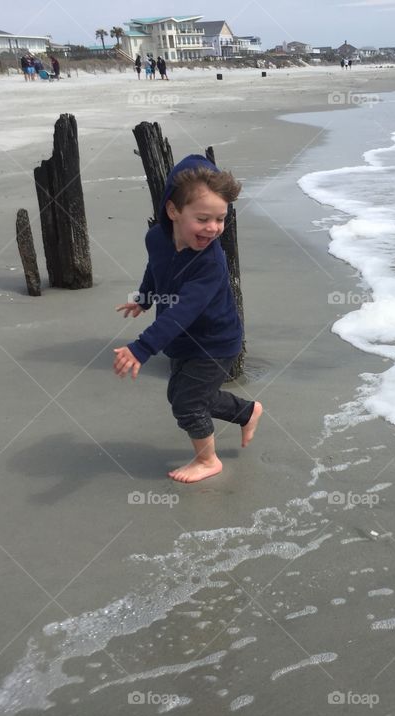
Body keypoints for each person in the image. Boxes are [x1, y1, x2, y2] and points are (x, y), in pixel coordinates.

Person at [114, 155, 263, 483]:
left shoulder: (210, 262)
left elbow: (182, 311)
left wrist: (142, 347)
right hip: (184, 342)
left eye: (221, 219)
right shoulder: (156, 237)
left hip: (216, 342)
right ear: (173, 211)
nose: (213, 228)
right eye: (203, 218)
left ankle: (208, 460)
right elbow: (156, 268)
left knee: (187, 404)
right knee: (184, 395)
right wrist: (145, 297)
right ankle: (247, 411)